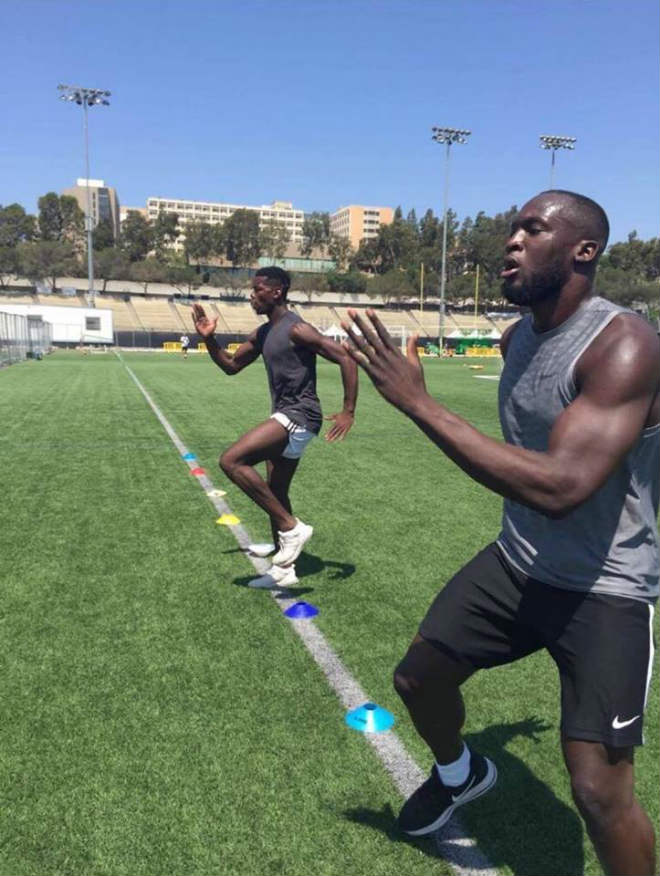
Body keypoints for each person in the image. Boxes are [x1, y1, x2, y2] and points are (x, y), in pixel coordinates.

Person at [343, 190, 659, 876]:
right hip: (517, 564)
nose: (511, 242)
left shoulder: (625, 342)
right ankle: (462, 774)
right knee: (418, 678)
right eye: (512, 229)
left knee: (599, 793)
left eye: (532, 229)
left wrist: (420, 404)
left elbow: (562, 488)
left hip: (603, 588)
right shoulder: (517, 336)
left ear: (583, 251)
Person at [192, 266, 358, 589]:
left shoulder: (298, 329)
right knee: (275, 490)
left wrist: (348, 410)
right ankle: (284, 570)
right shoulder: (265, 333)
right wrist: (210, 339)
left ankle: (290, 528)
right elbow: (231, 365)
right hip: (287, 415)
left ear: (277, 291)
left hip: (300, 415)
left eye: (257, 290)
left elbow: (346, 358)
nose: (251, 295)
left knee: (231, 461)